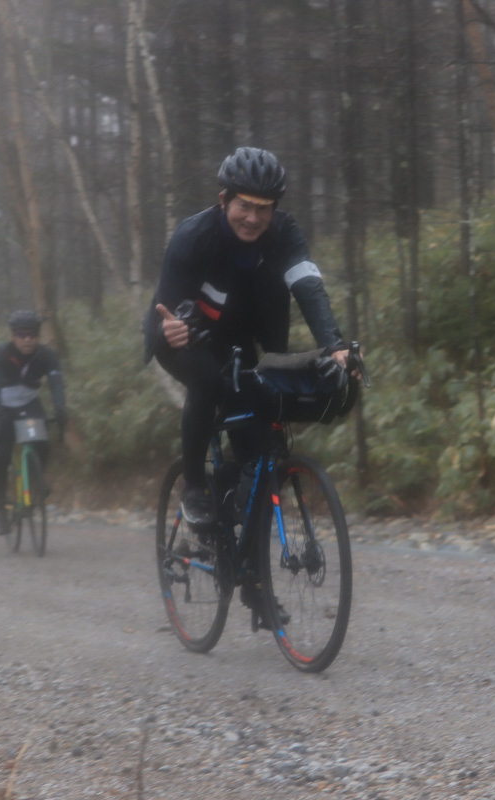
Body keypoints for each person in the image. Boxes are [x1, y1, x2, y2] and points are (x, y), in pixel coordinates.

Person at [143, 147, 348, 623]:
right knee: (210, 383)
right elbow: (164, 309)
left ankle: (252, 580)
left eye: (264, 208)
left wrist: (334, 345)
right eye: (244, 206)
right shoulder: (192, 237)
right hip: (186, 337)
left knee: (264, 448)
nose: (253, 217)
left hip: (249, 336)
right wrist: (167, 331)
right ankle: (195, 486)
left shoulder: (284, 234)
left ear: (275, 209)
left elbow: (307, 286)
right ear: (224, 200)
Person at [0, 310, 67, 535]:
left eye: (32, 335)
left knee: (42, 440)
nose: (27, 339)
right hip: (2, 406)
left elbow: (56, 384)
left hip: (29, 406)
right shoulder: (0, 354)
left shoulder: (47, 356)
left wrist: (60, 408)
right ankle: (1, 510)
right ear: (13, 336)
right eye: (22, 335)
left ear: (38, 336)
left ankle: (36, 480)